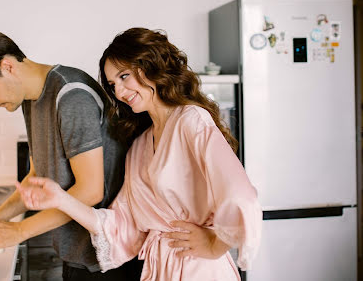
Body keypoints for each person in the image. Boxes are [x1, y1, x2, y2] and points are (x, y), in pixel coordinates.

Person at [16, 28, 262, 281]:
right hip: (158, 270)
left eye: (125, 76)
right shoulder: (140, 145)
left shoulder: (190, 120)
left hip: (197, 268)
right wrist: (60, 199)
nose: (120, 92)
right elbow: (122, 224)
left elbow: (240, 194)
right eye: (113, 85)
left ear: (152, 67)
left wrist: (215, 244)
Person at [0, 27, 142, 281]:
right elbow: (36, 178)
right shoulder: (30, 100)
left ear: (8, 67)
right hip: (77, 257)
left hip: (108, 261)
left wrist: (20, 231)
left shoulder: (72, 95)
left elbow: (91, 191)